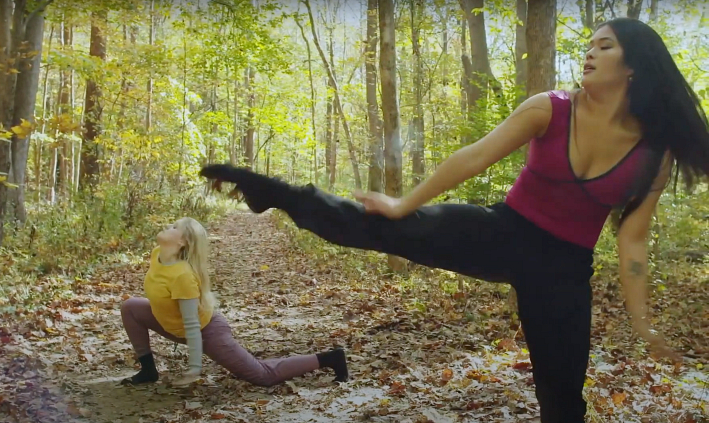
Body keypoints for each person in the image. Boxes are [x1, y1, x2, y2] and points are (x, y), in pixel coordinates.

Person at [198, 18, 709, 422]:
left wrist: (642, 322)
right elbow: (473, 158)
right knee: (377, 225)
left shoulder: (653, 153)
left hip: (563, 271)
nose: (590, 53)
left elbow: (633, 241)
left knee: (562, 399)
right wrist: (402, 204)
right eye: (589, 44)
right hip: (502, 232)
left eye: (605, 46)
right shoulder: (549, 108)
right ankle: (271, 192)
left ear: (634, 66)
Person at [120, 217, 348, 387]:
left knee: (262, 376)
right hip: (171, 324)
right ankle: (149, 371)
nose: (168, 226)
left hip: (206, 331)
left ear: (183, 241)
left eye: (174, 227)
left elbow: (192, 327)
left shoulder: (182, 276)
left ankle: (330, 358)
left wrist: (194, 368)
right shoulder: (157, 253)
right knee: (130, 307)